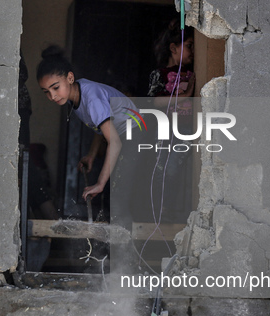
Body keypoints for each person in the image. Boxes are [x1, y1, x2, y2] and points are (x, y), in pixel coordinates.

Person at [36, 46, 137, 201]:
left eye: (55, 87)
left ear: (70, 78)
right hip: (127, 139)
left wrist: (100, 183)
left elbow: (115, 141)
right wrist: (91, 155)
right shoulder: (76, 95)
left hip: (140, 137)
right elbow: (103, 126)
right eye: (46, 92)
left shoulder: (91, 99)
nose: (53, 96)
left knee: (126, 198)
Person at [147, 20, 195, 102]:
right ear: (173, 48)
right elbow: (154, 101)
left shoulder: (192, 72)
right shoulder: (160, 74)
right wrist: (186, 95)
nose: (193, 51)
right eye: (189, 46)